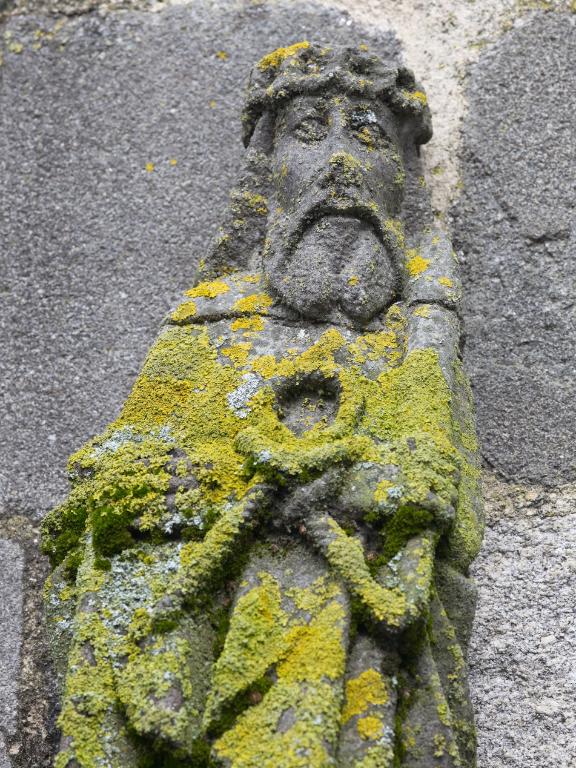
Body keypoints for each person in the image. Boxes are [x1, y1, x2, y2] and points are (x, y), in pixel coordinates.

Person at [43, 42, 483, 768]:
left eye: (369, 136)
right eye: (308, 132)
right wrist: (207, 488)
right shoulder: (209, 321)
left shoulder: (421, 338)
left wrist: (389, 492)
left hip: (349, 654)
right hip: (199, 627)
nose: (340, 161)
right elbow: (105, 486)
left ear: (399, 178)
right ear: (268, 170)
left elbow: (452, 524)